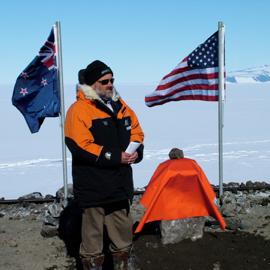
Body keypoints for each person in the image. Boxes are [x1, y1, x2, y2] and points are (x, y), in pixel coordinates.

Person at [65, 60, 144, 270]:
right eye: (104, 81)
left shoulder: (120, 105)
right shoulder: (79, 110)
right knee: (92, 238)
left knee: (123, 235)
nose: (110, 84)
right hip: (93, 187)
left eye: (112, 80)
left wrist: (137, 151)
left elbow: (136, 131)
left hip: (119, 186)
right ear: (92, 84)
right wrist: (115, 157)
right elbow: (79, 145)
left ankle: (123, 265)